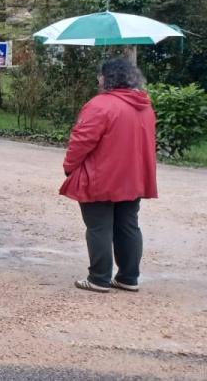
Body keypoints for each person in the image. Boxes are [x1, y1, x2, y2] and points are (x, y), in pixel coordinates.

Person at [61, 57, 158, 293]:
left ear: (108, 78)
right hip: (133, 176)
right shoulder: (144, 105)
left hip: (101, 175)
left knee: (98, 226)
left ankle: (99, 278)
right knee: (128, 225)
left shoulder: (100, 104)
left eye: (101, 75)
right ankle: (128, 277)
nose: (98, 78)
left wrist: (69, 166)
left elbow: (82, 141)